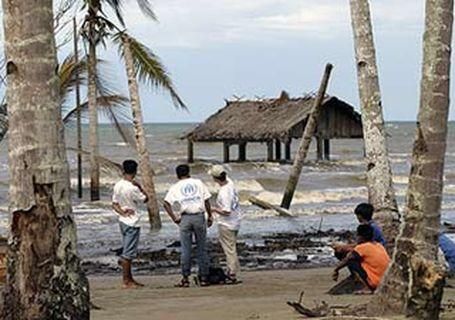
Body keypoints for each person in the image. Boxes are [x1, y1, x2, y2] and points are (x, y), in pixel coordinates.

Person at [164, 164, 213, 287]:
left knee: (186, 250)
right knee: (201, 248)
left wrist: (174, 217)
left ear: (177, 175)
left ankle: (185, 278)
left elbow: (166, 203)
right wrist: (210, 215)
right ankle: (204, 277)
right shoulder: (198, 183)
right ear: (189, 172)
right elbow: (207, 200)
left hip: (185, 217)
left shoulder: (176, 187)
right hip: (199, 216)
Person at [112, 159, 148, 289]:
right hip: (132, 221)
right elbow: (145, 198)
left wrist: (122, 212)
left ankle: (130, 279)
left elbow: (114, 204)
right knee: (128, 252)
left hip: (123, 220)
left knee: (127, 250)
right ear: (135, 172)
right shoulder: (132, 188)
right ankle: (126, 280)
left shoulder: (118, 185)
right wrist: (140, 187)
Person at [332, 224, 390, 293]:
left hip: (375, 282)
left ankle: (366, 287)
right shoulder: (378, 245)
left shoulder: (361, 248)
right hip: (385, 281)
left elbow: (348, 259)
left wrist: (336, 270)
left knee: (352, 261)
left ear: (360, 237)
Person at [209, 165, 242, 283]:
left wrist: (213, 209)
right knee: (231, 247)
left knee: (229, 249)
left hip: (227, 223)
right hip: (236, 220)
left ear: (215, 178)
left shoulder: (224, 192)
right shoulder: (230, 183)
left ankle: (232, 273)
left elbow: (226, 211)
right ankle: (232, 270)